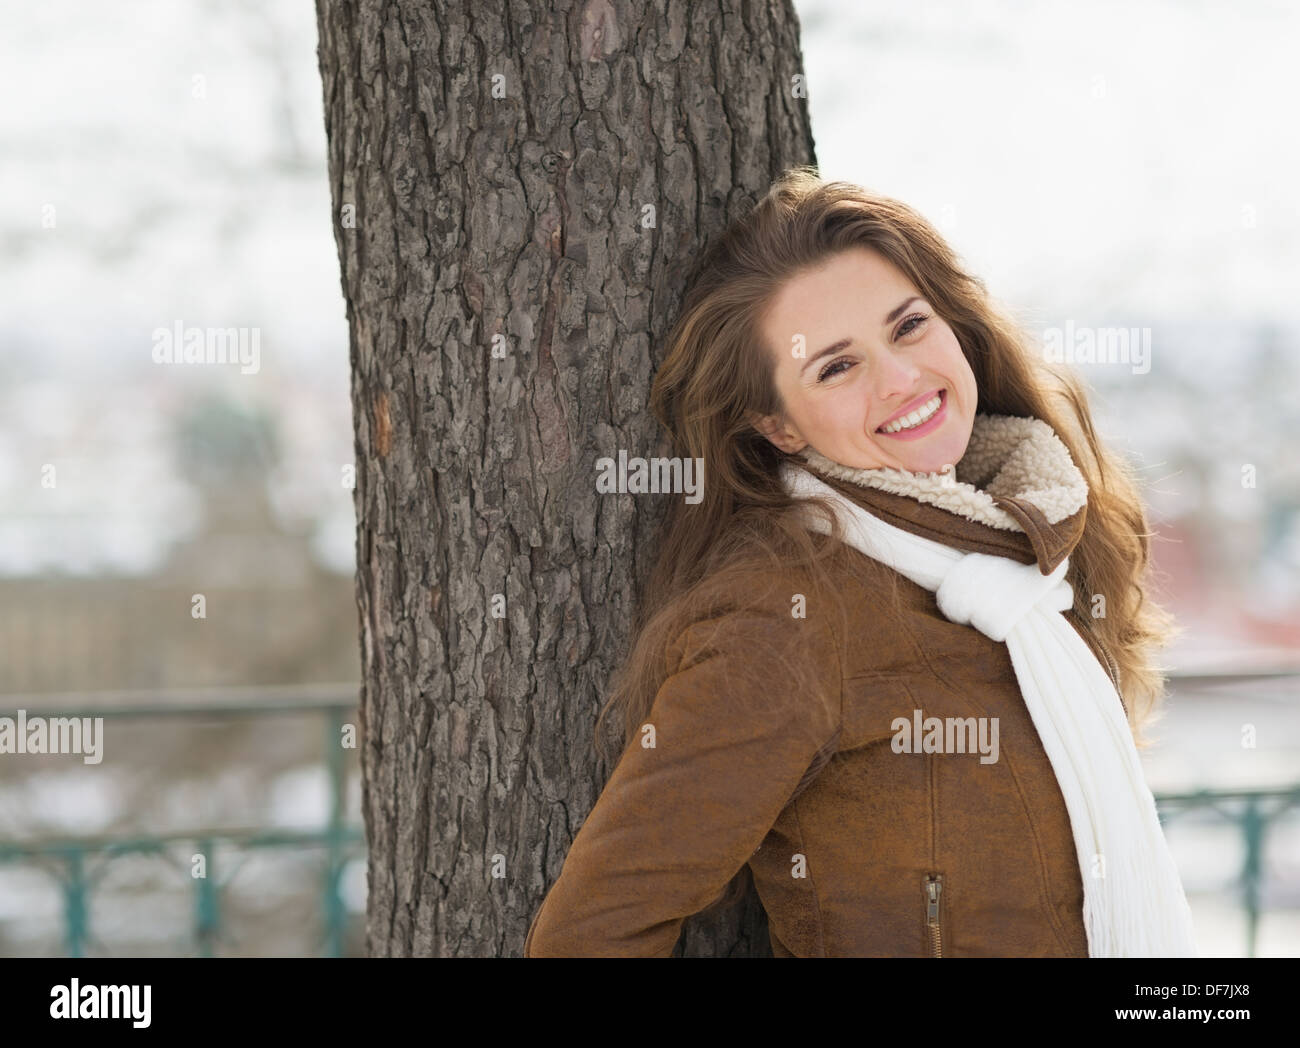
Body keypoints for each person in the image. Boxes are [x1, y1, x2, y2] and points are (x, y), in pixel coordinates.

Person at [523, 167, 1195, 957]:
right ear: (778, 424)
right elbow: (592, 931)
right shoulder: (787, 615)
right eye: (837, 367)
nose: (902, 378)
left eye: (908, 326)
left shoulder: (1035, 543)